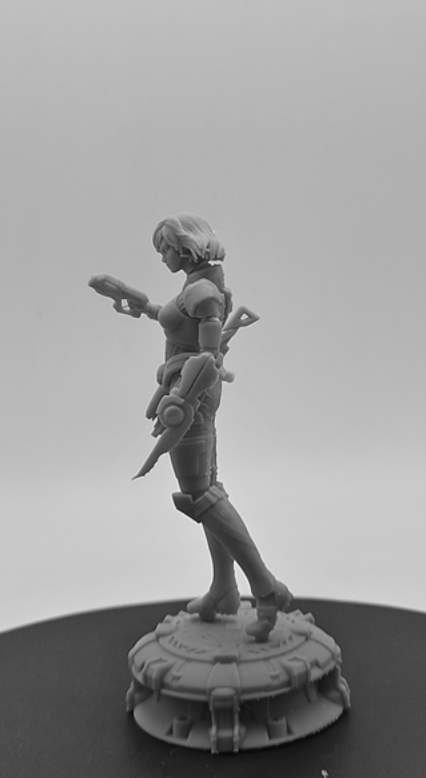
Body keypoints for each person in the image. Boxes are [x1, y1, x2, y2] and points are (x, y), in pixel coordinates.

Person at [90, 213, 291, 641]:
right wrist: (138, 302)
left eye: (165, 248)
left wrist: (180, 400)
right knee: (208, 490)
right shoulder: (199, 285)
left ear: (185, 247)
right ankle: (224, 588)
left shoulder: (201, 291)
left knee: (199, 495)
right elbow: (181, 326)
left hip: (190, 397)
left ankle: (266, 588)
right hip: (186, 391)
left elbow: (208, 357)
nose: (162, 256)